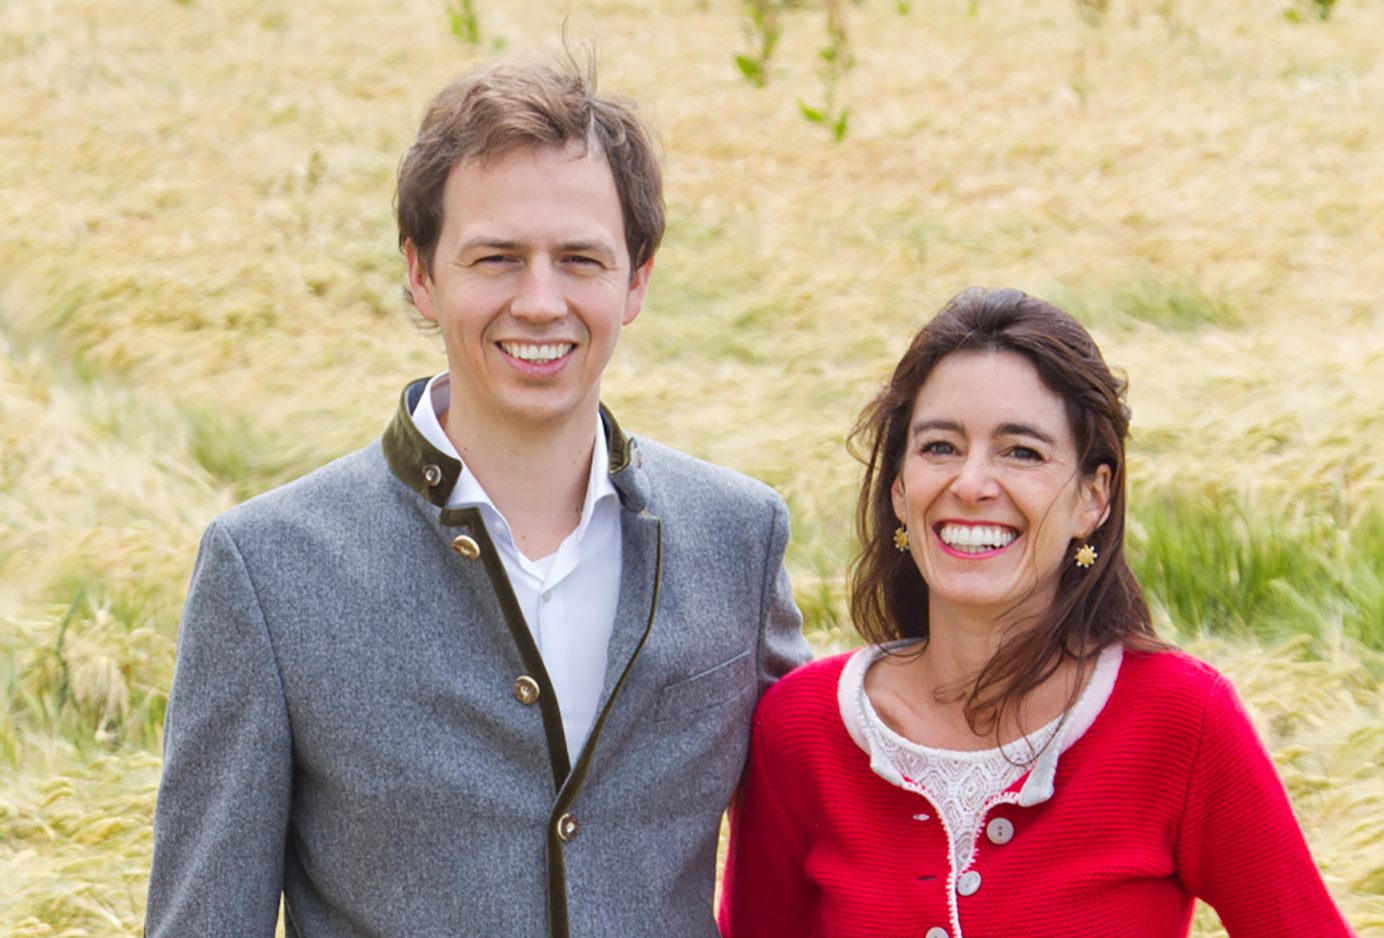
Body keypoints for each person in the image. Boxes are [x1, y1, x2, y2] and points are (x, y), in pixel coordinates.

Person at [144, 55, 810, 938]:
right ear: (421, 273)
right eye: (497, 258)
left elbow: (839, 812)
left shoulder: (739, 534)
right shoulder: (267, 569)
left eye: (580, 259)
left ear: (637, 278)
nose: (541, 302)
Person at [718, 287, 1355, 937]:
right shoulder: (799, 732)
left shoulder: (1182, 722)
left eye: (1021, 451)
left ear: (1093, 498)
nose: (970, 484)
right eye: (940, 446)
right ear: (900, 489)